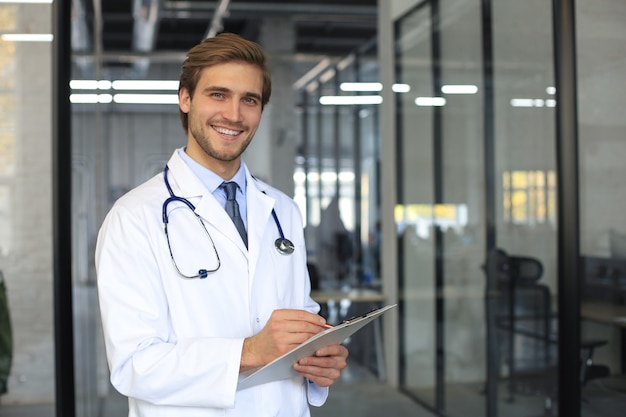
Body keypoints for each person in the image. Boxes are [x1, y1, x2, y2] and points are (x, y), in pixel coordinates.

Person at [95, 32, 348, 417]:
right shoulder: (133, 218)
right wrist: (248, 352)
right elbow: (134, 365)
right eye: (218, 94)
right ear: (185, 99)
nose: (233, 114)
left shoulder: (283, 210)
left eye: (250, 100)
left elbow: (298, 312)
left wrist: (318, 356)